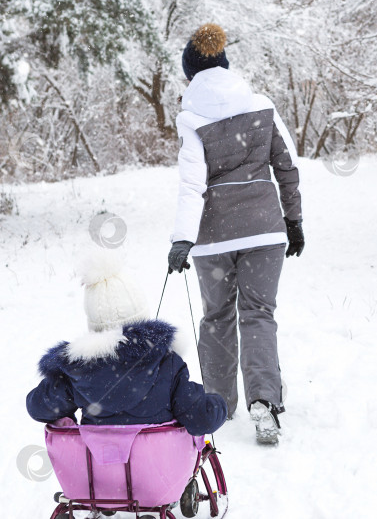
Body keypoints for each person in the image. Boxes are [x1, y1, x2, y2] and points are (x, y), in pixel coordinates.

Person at [167, 23, 304, 445]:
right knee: (259, 313)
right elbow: (286, 166)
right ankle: (264, 401)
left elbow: (192, 184)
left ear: (191, 73)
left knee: (217, 317)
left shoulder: (192, 118)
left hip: (214, 236)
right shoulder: (261, 106)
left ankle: (218, 405)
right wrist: (293, 220)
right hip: (265, 230)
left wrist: (182, 239)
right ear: (225, 64)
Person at [26, 250, 227, 437]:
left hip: (98, 470)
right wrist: (218, 403)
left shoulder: (77, 372)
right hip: (159, 470)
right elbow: (202, 419)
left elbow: (38, 407)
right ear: (142, 317)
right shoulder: (167, 363)